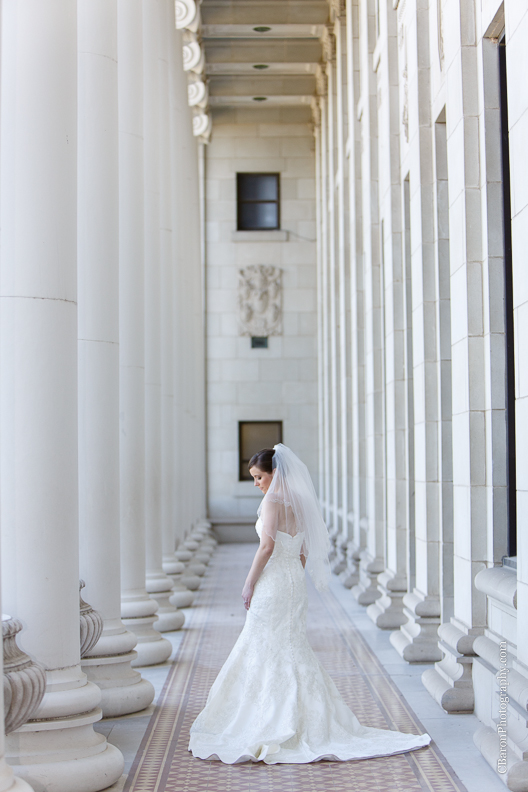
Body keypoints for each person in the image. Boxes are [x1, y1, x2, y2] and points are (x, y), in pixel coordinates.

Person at [188, 444, 430, 764]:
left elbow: (266, 547)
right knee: (290, 646)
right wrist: (292, 577)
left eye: (259, 477)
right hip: (292, 583)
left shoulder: (272, 501)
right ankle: (306, 718)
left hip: (273, 583)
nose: (256, 483)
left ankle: (272, 718)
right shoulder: (300, 502)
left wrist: (249, 584)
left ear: (275, 473)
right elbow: (302, 551)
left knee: (263, 646)